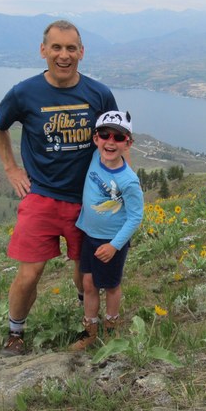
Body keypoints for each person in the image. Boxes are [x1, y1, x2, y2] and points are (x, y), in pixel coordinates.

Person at [0, 19, 118, 357]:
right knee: (29, 273)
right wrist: (11, 168)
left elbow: (116, 139)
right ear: (43, 50)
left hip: (86, 200)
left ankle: (89, 326)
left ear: (82, 52)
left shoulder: (99, 93)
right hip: (42, 197)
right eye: (57, 48)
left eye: (71, 48)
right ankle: (15, 333)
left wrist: (119, 184)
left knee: (85, 274)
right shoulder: (25, 92)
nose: (64, 55)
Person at [70, 110, 144, 351]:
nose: (110, 141)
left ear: (128, 143)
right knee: (89, 284)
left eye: (119, 138)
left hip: (112, 242)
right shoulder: (95, 157)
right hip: (89, 236)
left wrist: (115, 245)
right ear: (95, 139)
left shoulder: (129, 180)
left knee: (111, 286)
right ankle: (89, 331)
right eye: (104, 135)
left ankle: (111, 329)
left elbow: (135, 217)